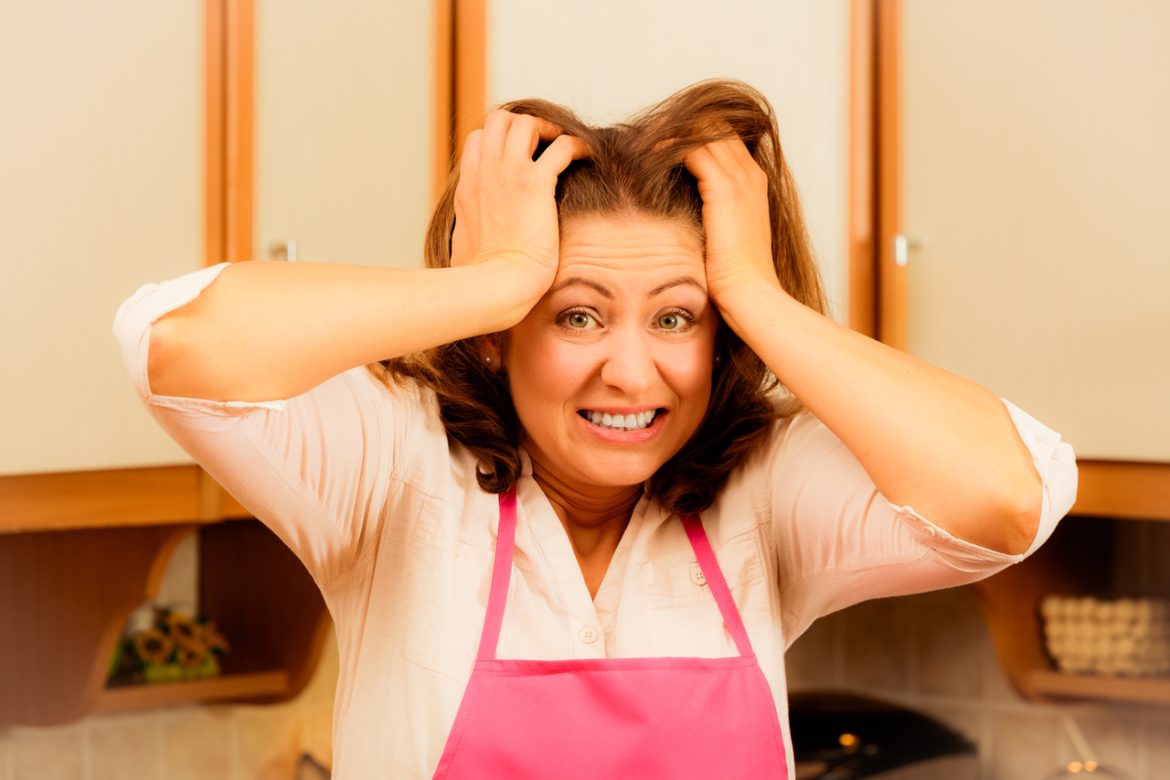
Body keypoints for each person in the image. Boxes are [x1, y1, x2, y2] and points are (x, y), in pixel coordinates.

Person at [114, 79, 1076, 778]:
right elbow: (180, 345)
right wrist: (491, 280)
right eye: (576, 313)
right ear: (499, 338)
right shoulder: (394, 476)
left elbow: (1002, 497)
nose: (632, 370)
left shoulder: (763, 498)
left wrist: (756, 291)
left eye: (676, 317)